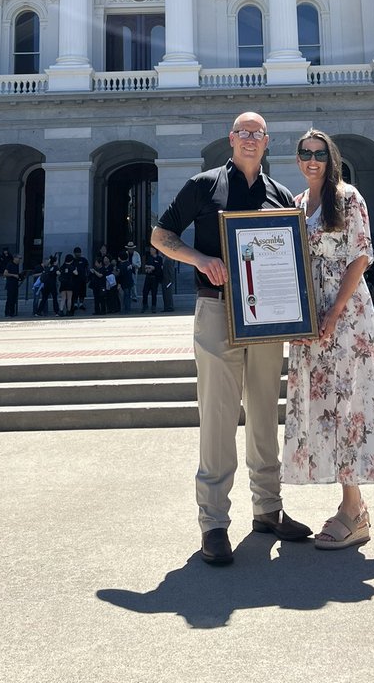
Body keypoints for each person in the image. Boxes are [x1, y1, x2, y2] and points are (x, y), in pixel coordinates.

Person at [152, 110, 312, 567]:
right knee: (218, 417)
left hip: (266, 320)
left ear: (266, 143)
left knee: (264, 412)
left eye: (256, 134)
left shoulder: (280, 194)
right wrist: (200, 259)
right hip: (217, 310)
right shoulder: (204, 186)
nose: (248, 139)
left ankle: (267, 508)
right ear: (230, 139)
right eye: (241, 132)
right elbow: (160, 236)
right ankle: (214, 523)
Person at [283, 129, 374, 548]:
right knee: (324, 405)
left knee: (350, 403)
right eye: (305, 153)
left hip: (345, 317)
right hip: (310, 319)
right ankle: (353, 506)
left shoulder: (348, 197)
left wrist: (333, 312)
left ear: (332, 159)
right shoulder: (296, 203)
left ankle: (353, 509)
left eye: (320, 154)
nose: (312, 160)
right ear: (297, 159)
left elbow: (361, 255)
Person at [141, 247, 163, 313]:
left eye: (152, 250)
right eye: (150, 250)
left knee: (154, 293)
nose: (150, 251)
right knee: (145, 292)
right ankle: (145, 305)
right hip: (148, 276)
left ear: (155, 250)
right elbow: (146, 265)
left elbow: (159, 267)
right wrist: (148, 268)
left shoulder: (159, 258)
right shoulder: (149, 258)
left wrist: (154, 268)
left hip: (155, 277)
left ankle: (153, 306)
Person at [68, 246, 89, 311]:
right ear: (74, 253)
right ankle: (75, 304)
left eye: (79, 252)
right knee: (75, 292)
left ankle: (81, 304)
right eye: (77, 253)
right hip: (75, 280)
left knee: (82, 292)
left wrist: (87, 277)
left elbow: (87, 268)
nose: (78, 254)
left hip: (82, 279)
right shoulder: (72, 261)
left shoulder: (84, 260)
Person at [2, 251, 22, 318]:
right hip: (10, 284)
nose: (19, 260)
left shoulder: (16, 266)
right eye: (19, 258)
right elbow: (5, 274)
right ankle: (7, 313)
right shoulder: (10, 264)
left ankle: (12, 312)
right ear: (15, 258)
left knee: (14, 299)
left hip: (15, 284)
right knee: (10, 299)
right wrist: (14, 275)